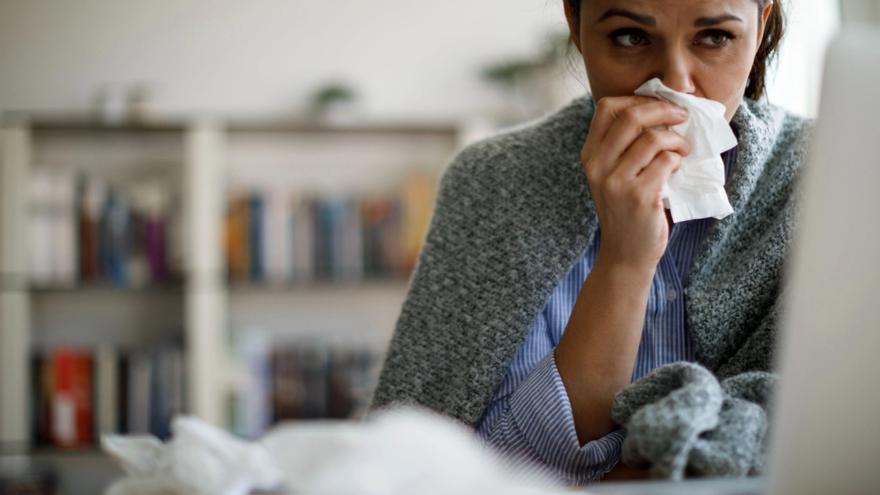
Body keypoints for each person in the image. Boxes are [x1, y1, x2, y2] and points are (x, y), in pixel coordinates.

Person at [370, 0, 811, 484]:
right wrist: (625, 260)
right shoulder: (496, 182)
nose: (676, 85)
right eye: (630, 37)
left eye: (714, 38)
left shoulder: (825, 174)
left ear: (760, 24)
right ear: (576, 27)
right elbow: (467, 466)